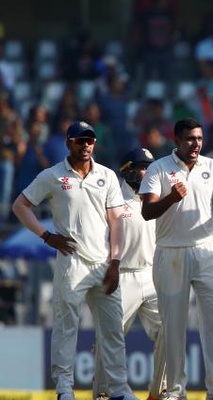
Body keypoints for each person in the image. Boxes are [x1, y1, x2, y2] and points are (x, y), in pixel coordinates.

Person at [11, 121, 137, 400]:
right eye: (80, 141)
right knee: (67, 327)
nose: (86, 145)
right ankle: (64, 389)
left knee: (113, 329)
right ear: (69, 143)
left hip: (104, 264)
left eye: (90, 140)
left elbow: (117, 221)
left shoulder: (107, 176)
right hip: (71, 262)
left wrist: (116, 261)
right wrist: (46, 235)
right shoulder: (53, 175)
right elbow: (20, 206)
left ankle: (117, 389)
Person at [139, 118, 213, 400]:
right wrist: (171, 198)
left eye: (199, 138)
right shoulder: (158, 168)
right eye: (189, 139)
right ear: (176, 141)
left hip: (206, 250)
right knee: (173, 326)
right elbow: (147, 212)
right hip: (170, 251)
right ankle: (175, 391)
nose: (195, 144)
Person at [93, 148, 167, 400]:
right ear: (127, 170)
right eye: (142, 167)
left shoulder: (157, 200)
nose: (148, 172)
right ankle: (103, 391)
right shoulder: (114, 200)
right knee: (110, 337)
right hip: (122, 276)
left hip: (152, 275)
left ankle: (160, 391)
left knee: (169, 331)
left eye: (151, 166)